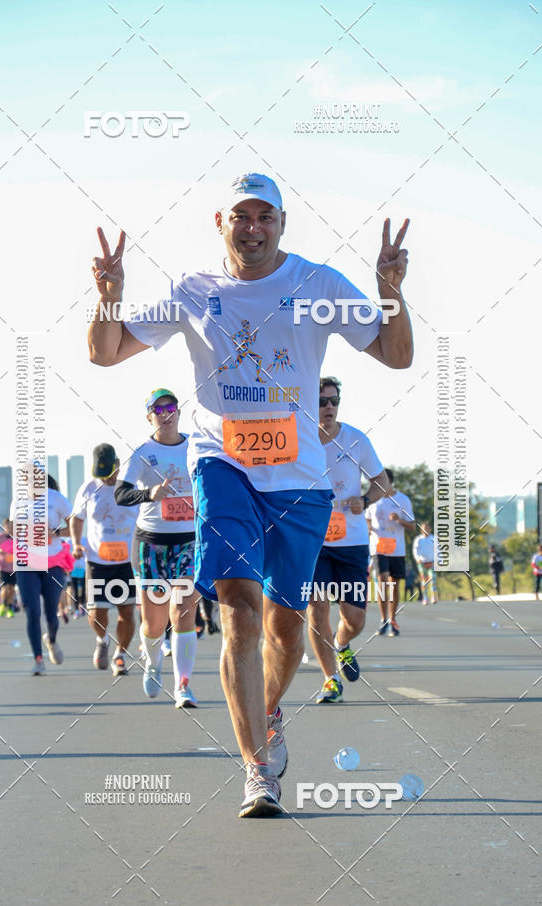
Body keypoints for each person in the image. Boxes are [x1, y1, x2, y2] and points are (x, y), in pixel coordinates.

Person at [89, 171, 413, 816]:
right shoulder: (194, 290)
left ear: (282, 226)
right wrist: (109, 297)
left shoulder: (316, 284)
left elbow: (396, 356)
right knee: (237, 604)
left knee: (286, 628)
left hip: (299, 479)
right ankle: (256, 769)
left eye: (266, 217)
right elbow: (105, 353)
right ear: (221, 224)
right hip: (222, 464)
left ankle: (267, 712)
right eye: (242, 216)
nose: (253, 228)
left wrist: (390, 292)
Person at [114, 389, 202, 707]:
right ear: (149, 415)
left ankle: (183, 685)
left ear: (179, 412)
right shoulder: (141, 453)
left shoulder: (195, 445)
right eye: (158, 408)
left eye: (171, 407)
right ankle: (153, 662)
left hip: (189, 542)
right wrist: (150, 494)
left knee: (183, 614)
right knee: (154, 623)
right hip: (151, 543)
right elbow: (121, 495)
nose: (166, 413)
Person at [307, 377, 389, 703]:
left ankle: (342, 644)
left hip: (352, 541)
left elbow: (381, 481)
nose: (328, 407)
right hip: (314, 541)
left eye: (333, 401)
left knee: (354, 619)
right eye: (322, 401)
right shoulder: (300, 441)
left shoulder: (355, 439)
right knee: (316, 608)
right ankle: (329, 680)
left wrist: (366, 501)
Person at [70, 444, 138, 677]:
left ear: (118, 465)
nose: (107, 478)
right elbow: (76, 519)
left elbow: (146, 519)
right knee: (97, 613)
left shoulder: (131, 487)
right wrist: (76, 543)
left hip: (126, 561)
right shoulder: (88, 488)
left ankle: (120, 655)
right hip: (97, 560)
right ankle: (102, 640)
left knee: (126, 612)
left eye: (110, 472)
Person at [10, 465, 72, 675]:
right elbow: (11, 528)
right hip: (26, 563)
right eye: (27, 477)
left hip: (52, 563)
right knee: (32, 612)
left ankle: (51, 641)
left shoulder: (56, 498)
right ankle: (38, 660)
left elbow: (75, 525)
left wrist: (54, 532)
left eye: (36, 476)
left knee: (51, 615)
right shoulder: (18, 501)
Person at [366, 469, 415, 637]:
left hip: (397, 549)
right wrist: (368, 527)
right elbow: (366, 519)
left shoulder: (402, 500)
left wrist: (399, 520)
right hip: (378, 548)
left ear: (389, 482)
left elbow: (413, 525)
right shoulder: (372, 501)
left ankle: (392, 620)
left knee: (394, 585)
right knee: (382, 581)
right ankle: (383, 619)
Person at [0, 518, 17, 617]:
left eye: (12, 526)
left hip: (14, 567)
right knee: (5, 588)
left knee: (12, 589)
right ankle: (3, 604)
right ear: (4, 527)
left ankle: (10, 608)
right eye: (8, 526)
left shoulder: (17, 537)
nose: (10, 528)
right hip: (1, 567)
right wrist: (1, 550)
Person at [412, 521, 439, 605]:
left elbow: (439, 550)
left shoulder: (434, 538)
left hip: (432, 562)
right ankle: (425, 598)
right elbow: (415, 550)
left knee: (432, 579)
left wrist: (438, 560)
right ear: (421, 530)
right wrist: (418, 558)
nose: (426, 530)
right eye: (424, 528)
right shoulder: (418, 539)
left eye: (427, 528)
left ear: (430, 529)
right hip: (422, 563)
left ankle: (433, 596)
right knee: (424, 580)